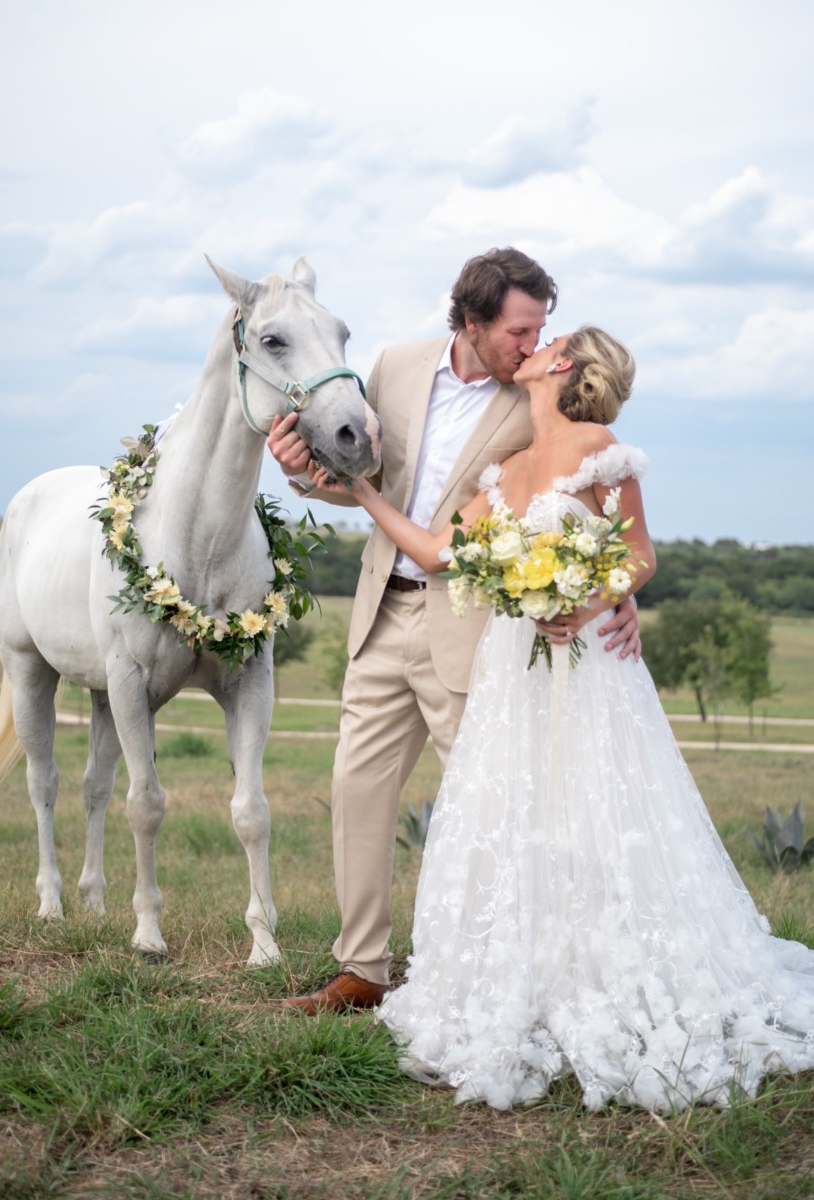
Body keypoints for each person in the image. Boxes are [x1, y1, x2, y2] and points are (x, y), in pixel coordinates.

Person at [309, 325, 814, 1111]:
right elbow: (441, 553)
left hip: (591, 672)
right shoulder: (504, 469)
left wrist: (595, 599)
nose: (533, 348)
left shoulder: (598, 445)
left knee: (597, 812)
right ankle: (528, 971)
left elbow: (639, 552)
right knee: (517, 814)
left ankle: (610, 971)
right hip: (512, 671)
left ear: (564, 367)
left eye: (549, 342)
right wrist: (367, 498)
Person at [268, 249, 640, 1015]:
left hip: (476, 627)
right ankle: (362, 967)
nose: (533, 345)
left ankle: (504, 966)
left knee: (492, 803)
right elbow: (356, 474)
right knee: (357, 788)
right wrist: (299, 473)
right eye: (519, 329)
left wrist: (609, 589)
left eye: (540, 328)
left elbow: (585, 502)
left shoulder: (540, 399)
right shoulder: (396, 367)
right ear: (471, 322)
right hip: (382, 609)